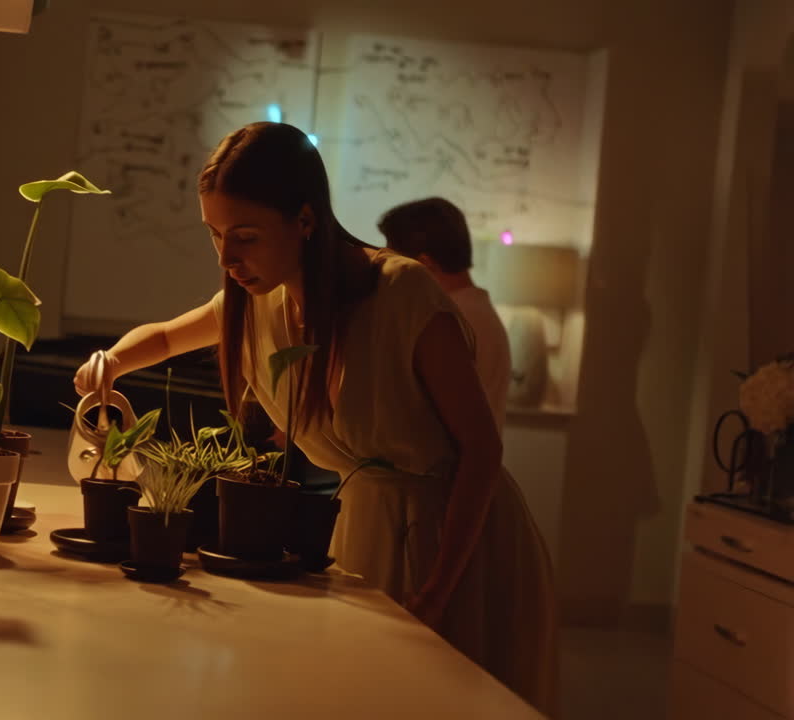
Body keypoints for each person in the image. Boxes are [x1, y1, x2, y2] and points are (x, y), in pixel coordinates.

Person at [74, 122, 557, 715]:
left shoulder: (402, 293)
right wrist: (112, 360)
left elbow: (482, 450)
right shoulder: (261, 298)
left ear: (304, 220)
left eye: (246, 236)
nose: (228, 258)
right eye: (215, 235)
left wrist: (436, 593)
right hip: (365, 528)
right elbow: (171, 334)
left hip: (457, 541)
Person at [377, 197, 512, 430]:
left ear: (424, 264)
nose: (386, 271)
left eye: (393, 262)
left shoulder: (450, 320)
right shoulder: (476, 310)